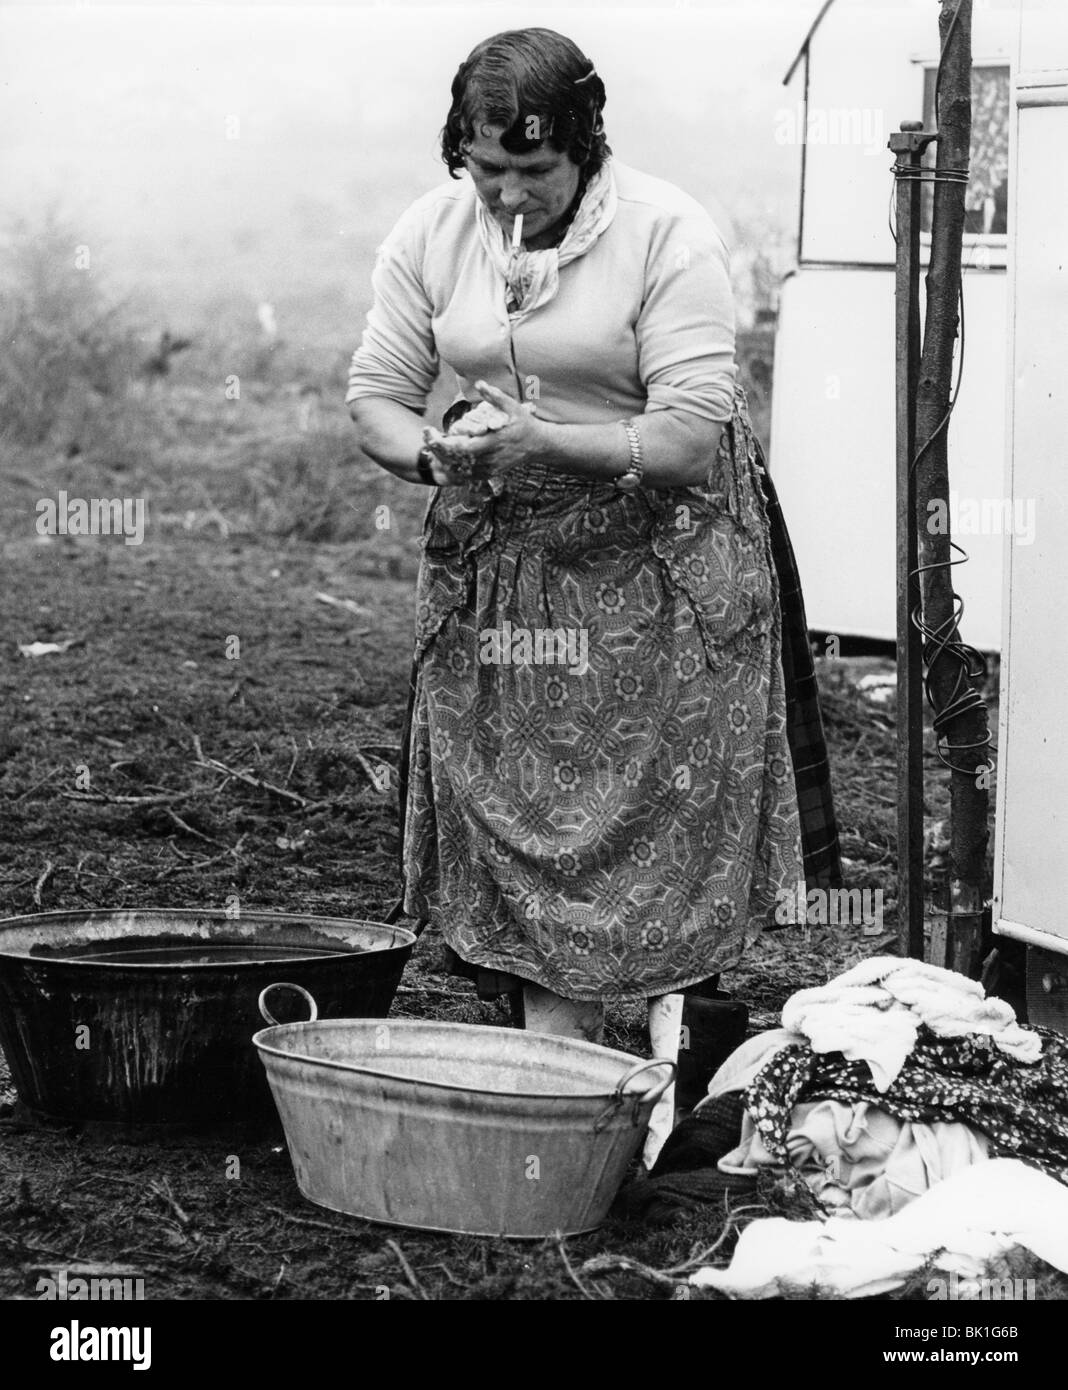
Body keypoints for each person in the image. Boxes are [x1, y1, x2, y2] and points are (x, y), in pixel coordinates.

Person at [346, 27, 841, 1163]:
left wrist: (548, 439)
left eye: (537, 172)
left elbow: (681, 435)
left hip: (660, 549)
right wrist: (433, 455)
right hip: (511, 559)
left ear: (585, 147)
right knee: (519, 792)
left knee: (665, 794)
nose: (511, 196)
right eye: (489, 172)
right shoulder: (431, 233)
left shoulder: (669, 235)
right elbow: (376, 393)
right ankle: (555, 1047)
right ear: (460, 158)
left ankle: (688, 1023)